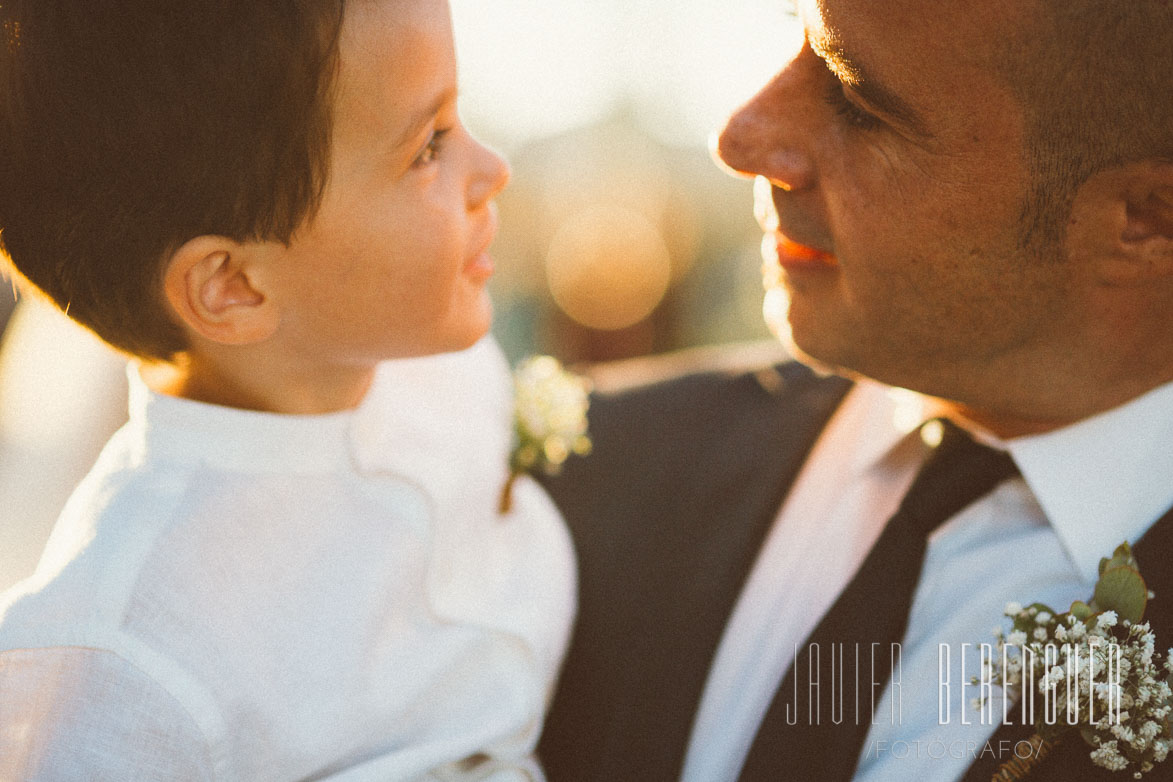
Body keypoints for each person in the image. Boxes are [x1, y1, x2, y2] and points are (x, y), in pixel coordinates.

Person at [537, 1, 1173, 781]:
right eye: (792, 35)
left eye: (857, 103)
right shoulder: (587, 470)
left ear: (1145, 218)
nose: (741, 135)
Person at [0, 1, 574, 779]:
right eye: (428, 145)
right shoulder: (121, 665)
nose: (493, 168)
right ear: (233, 285)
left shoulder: (441, 369)